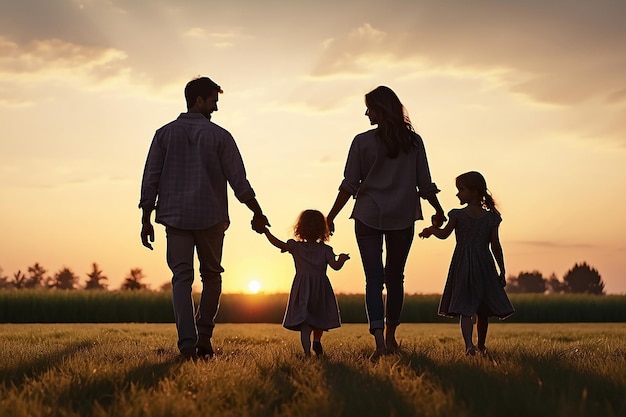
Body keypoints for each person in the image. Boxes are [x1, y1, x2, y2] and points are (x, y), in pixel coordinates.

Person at [139, 76, 269, 361]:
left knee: (181, 279)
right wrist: (256, 211)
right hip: (211, 219)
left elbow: (151, 178)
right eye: (213, 102)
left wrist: (146, 217)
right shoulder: (220, 136)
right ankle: (204, 338)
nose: (216, 108)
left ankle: (187, 343)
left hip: (175, 218)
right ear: (198, 100)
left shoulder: (163, 134)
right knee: (212, 276)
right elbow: (239, 181)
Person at [327, 86, 446, 358]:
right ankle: (391, 338)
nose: (365, 113)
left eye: (369, 108)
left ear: (380, 110)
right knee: (395, 278)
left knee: (373, 280)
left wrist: (331, 216)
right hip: (403, 217)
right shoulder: (414, 142)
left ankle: (379, 342)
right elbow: (424, 184)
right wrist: (438, 209)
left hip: (368, 215)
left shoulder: (361, 142)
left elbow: (349, 184)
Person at [419, 171, 514, 355]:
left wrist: (432, 230)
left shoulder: (458, 215)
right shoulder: (491, 218)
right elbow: (496, 245)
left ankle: (469, 345)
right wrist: (502, 270)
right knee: (483, 310)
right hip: (485, 265)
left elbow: (444, 234)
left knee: (465, 307)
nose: (457, 194)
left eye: (461, 190)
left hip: (463, 264)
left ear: (474, 191)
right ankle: (481, 346)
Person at [262, 210, 349, 357]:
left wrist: (266, 232)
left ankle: (307, 353)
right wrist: (342, 259)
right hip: (321, 288)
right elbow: (335, 266)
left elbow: (278, 244)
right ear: (322, 229)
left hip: (302, 287)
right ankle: (316, 340)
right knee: (319, 318)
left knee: (305, 323)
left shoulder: (296, 247)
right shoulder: (325, 250)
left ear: (300, 228)